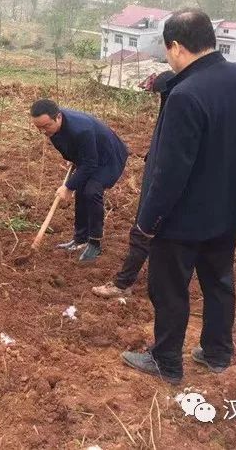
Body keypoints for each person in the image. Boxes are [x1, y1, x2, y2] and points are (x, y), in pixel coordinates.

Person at [121, 9, 236, 385]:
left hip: (184, 217)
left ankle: (166, 361)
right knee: (219, 281)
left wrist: (147, 220)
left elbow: (170, 172)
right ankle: (218, 353)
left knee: (169, 287)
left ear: (175, 46)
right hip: (230, 207)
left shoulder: (185, 94)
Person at [92, 71, 175, 299]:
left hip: (164, 179)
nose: (159, 98)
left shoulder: (178, 105)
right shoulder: (178, 104)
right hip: (169, 176)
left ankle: (123, 283)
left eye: (159, 94)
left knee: (143, 229)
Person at [30, 100, 129, 262]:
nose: (43, 131)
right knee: (81, 190)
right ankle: (80, 238)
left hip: (109, 158)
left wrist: (68, 187)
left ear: (59, 117)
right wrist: (73, 158)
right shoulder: (51, 128)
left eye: (46, 126)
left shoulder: (81, 129)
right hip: (90, 156)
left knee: (91, 191)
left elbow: (90, 163)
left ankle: (94, 243)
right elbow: (74, 151)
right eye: (38, 127)